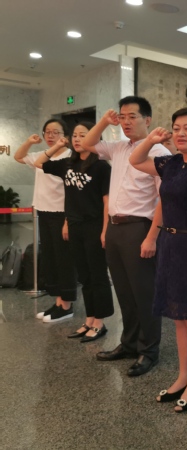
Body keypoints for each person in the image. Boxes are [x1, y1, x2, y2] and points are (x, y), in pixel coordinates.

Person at [129, 107, 187, 412]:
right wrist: (151, 139)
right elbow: (135, 161)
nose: (180, 133)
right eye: (176, 128)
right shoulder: (170, 163)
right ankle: (183, 376)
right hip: (170, 245)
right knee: (180, 320)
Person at [82, 96, 170, 377]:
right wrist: (104, 121)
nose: (126, 122)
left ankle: (149, 350)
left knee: (144, 293)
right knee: (124, 292)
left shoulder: (159, 152)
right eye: (122, 117)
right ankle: (129, 343)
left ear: (147, 120)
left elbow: (164, 199)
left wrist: (152, 237)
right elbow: (88, 144)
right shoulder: (119, 147)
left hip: (139, 228)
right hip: (116, 227)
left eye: (132, 116)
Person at [35, 122, 113, 342]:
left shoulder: (101, 166)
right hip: (75, 227)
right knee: (85, 277)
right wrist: (58, 145)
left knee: (98, 276)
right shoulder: (68, 164)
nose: (77, 139)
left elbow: (107, 202)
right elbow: (40, 163)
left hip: (94, 226)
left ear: (94, 138)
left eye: (83, 135)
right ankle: (89, 319)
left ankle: (100, 323)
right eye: (75, 135)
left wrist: (105, 230)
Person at [14, 119, 78, 323]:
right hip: (44, 211)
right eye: (47, 132)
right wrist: (29, 142)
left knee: (64, 259)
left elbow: (73, 192)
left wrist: (68, 220)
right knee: (51, 258)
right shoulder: (42, 155)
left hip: (62, 213)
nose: (50, 136)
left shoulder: (70, 158)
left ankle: (67, 305)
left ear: (64, 136)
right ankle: (58, 302)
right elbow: (18, 156)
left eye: (55, 132)